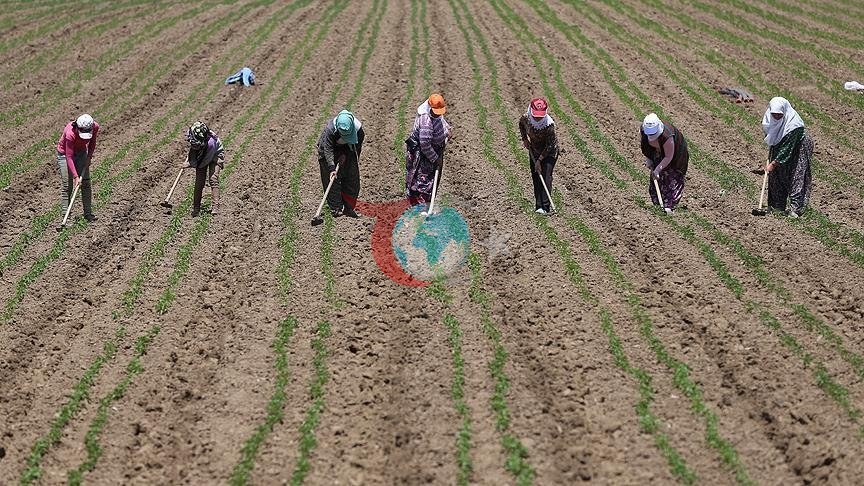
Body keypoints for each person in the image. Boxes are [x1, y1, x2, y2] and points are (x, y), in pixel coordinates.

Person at [762, 97, 813, 218]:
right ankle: (776, 206)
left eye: (779, 114)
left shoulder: (794, 125)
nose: (776, 117)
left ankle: (796, 209)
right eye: (774, 114)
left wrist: (773, 164)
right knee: (777, 175)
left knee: (796, 175)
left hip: (799, 147)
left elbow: (787, 148)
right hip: (782, 147)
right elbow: (771, 137)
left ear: (784, 111)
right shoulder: (768, 120)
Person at [405, 93, 451, 207]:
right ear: (430, 107)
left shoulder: (435, 115)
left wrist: (447, 131)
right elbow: (425, 145)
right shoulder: (426, 121)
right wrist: (435, 158)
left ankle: (426, 205)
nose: (438, 114)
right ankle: (420, 207)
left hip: (433, 151)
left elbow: (442, 121)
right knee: (422, 183)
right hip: (424, 155)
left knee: (431, 180)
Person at [317, 109, 364, 217]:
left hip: (348, 149)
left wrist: (347, 155)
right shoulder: (330, 130)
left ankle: (349, 207)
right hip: (329, 152)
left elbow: (357, 147)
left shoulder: (358, 130)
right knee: (332, 180)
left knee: (352, 179)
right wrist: (332, 168)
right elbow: (328, 150)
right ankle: (336, 208)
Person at [57, 113, 99, 228]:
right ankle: (66, 216)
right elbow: (69, 156)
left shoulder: (94, 127)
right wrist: (75, 176)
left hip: (81, 153)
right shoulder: (70, 133)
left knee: (86, 182)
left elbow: (92, 143)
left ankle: (88, 213)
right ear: (78, 128)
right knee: (68, 186)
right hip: (64, 155)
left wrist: (89, 157)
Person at [640, 113, 689, 211]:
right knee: (656, 179)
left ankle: (669, 205)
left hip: (675, 157)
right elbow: (645, 145)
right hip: (657, 152)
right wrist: (649, 159)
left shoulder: (667, 136)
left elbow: (668, 156)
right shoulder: (643, 130)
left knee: (671, 178)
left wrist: (658, 169)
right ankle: (658, 204)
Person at [519, 97, 559, 214]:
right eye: (536, 115)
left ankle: (545, 207)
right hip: (534, 150)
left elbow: (550, 145)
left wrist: (539, 160)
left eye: (540, 116)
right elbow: (521, 125)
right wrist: (525, 139)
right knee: (536, 176)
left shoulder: (549, 125)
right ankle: (538, 206)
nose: (538, 118)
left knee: (545, 176)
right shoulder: (526, 118)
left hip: (549, 152)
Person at [185, 121, 225, 216]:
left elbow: (204, 161)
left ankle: (215, 206)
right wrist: (191, 160)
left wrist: (191, 164)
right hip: (202, 152)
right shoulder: (193, 134)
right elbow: (193, 151)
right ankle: (196, 208)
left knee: (213, 179)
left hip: (215, 154)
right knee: (199, 182)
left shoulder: (211, 143)